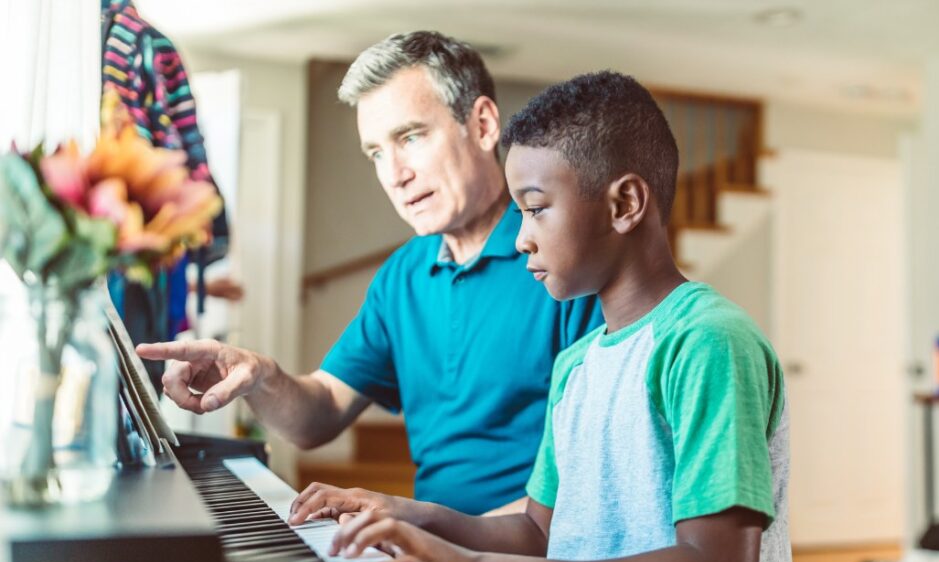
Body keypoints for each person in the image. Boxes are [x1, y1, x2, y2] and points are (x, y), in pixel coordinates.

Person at [287, 71, 791, 562]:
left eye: (534, 209)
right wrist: (406, 513)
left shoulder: (707, 342)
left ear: (625, 205)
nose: (521, 239)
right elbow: (538, 530)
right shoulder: (576, 365)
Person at [136, 31, 602, 515]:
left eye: (411, 137)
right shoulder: (402, 276)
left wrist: (420, 527)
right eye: (376, 152)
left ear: (483, 125)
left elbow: (593, 485)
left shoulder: (564, 264)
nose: (394, 174)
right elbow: (317, 416)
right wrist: (258, 376)